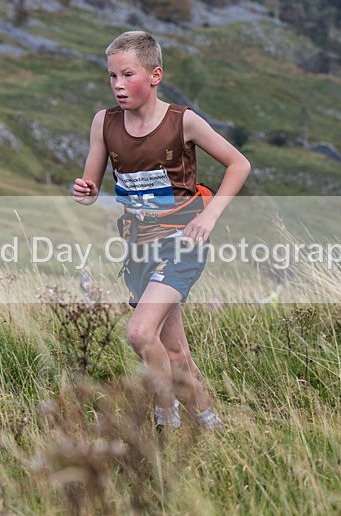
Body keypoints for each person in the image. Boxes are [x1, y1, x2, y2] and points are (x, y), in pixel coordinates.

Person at [72, 31, 251, 430]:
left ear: (155, 76)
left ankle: (164, 418)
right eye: (112, 76)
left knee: (139, 333)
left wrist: (209, 216)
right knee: (172, 350)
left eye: (128, 75)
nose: (118, 85)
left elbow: (239, 164)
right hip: (138, 248)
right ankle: (210, 424)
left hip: (182, 243)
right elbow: (90, 183)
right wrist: (84, 191)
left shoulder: (182, 121)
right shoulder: (104, 122)